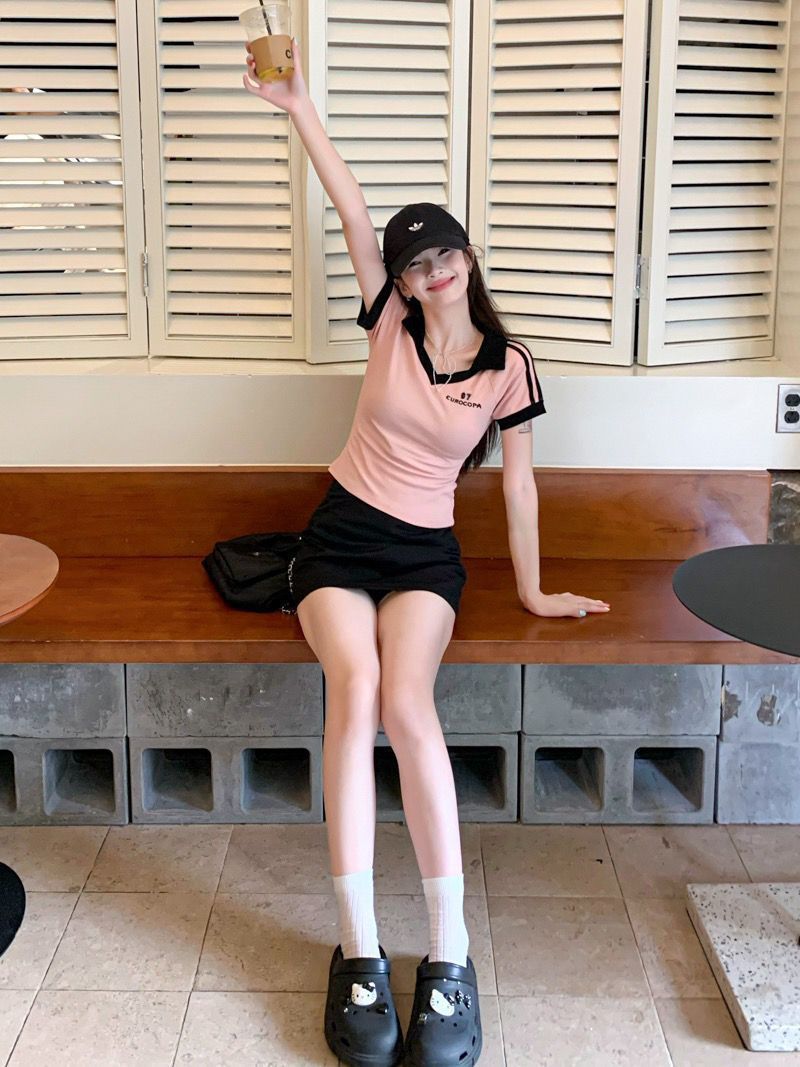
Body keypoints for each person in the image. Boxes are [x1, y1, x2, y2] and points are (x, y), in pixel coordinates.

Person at [243, 39, 611, 1067]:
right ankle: (360, 949)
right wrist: (298, 107)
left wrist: (533, 591)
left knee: (407, 703)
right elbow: (353, 209)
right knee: (354, 689)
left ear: (467, 256)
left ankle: (448, 954)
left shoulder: (508, 366)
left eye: (440, 253)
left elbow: (519, 483)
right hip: (338, 540)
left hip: (424, 557)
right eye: (412, 262)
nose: (428, 270)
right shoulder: (388, 323)